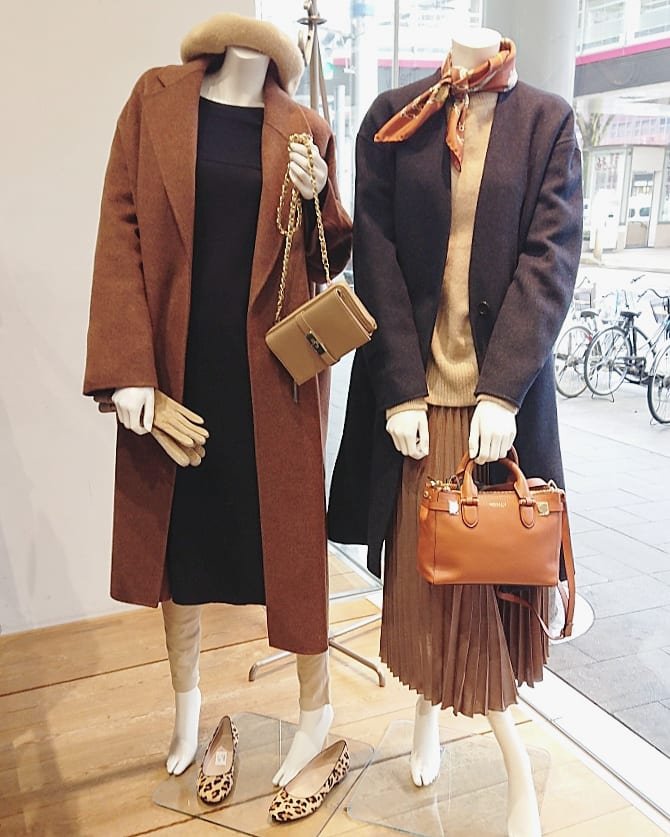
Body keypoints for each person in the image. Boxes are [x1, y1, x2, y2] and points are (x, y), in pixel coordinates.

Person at [83, 13, 352, 786]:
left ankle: (316, 711)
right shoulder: (155, 101)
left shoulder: (304, 129)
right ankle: (187, 705)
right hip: (181, 365)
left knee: (293, 551)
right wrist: (129, 370)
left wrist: (321, 196)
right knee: (184, 543)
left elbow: (328, 258)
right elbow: (121, 229)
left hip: (274, 378)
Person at [328, 26, 582, 836]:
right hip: (419, 409)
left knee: (479, 594)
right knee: (424, 584)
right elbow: (375, 258)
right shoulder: (394, 118)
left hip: (498, 414)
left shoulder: (544, 121)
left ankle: (513, 766)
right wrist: (399, 390)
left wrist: (504, 389)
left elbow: (551, 259)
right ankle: (427, 716)